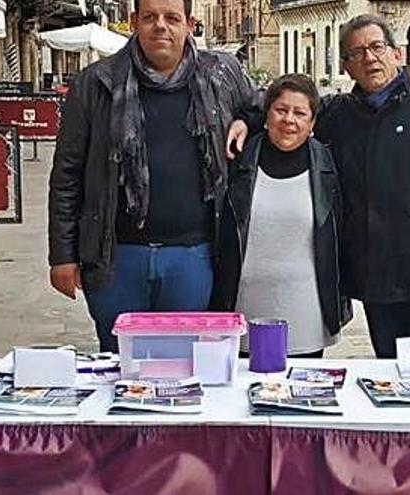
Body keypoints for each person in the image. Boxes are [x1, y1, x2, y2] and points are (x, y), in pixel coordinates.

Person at [228, 14, 410, 358]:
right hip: (376, 280)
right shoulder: (339, 115)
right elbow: (291, 110)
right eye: (357, 53)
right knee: (388, 371)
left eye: (377, 47)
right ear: (347, 67)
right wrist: (246, 121)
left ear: (397, 54)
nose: (369, 58)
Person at [48, 0, 257, 352]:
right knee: (119, 366)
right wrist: (62, 256)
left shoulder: (222, 75)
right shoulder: (95, 83)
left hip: (193, 256)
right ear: (134, 22)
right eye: (150, 17)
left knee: (184, 366)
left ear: (189, 24)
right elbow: (67, 175)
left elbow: (265, 104)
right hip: (116, 257)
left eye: (172, 17)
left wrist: (247, 120)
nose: (161, 25)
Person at [212, 74, 350, 359]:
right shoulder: (237, 160)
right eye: (281, 110)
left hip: (306, 309)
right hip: (242, 304)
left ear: (312, 124)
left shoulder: (330, 166)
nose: (289, 119)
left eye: (300, 113)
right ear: (266, 115)